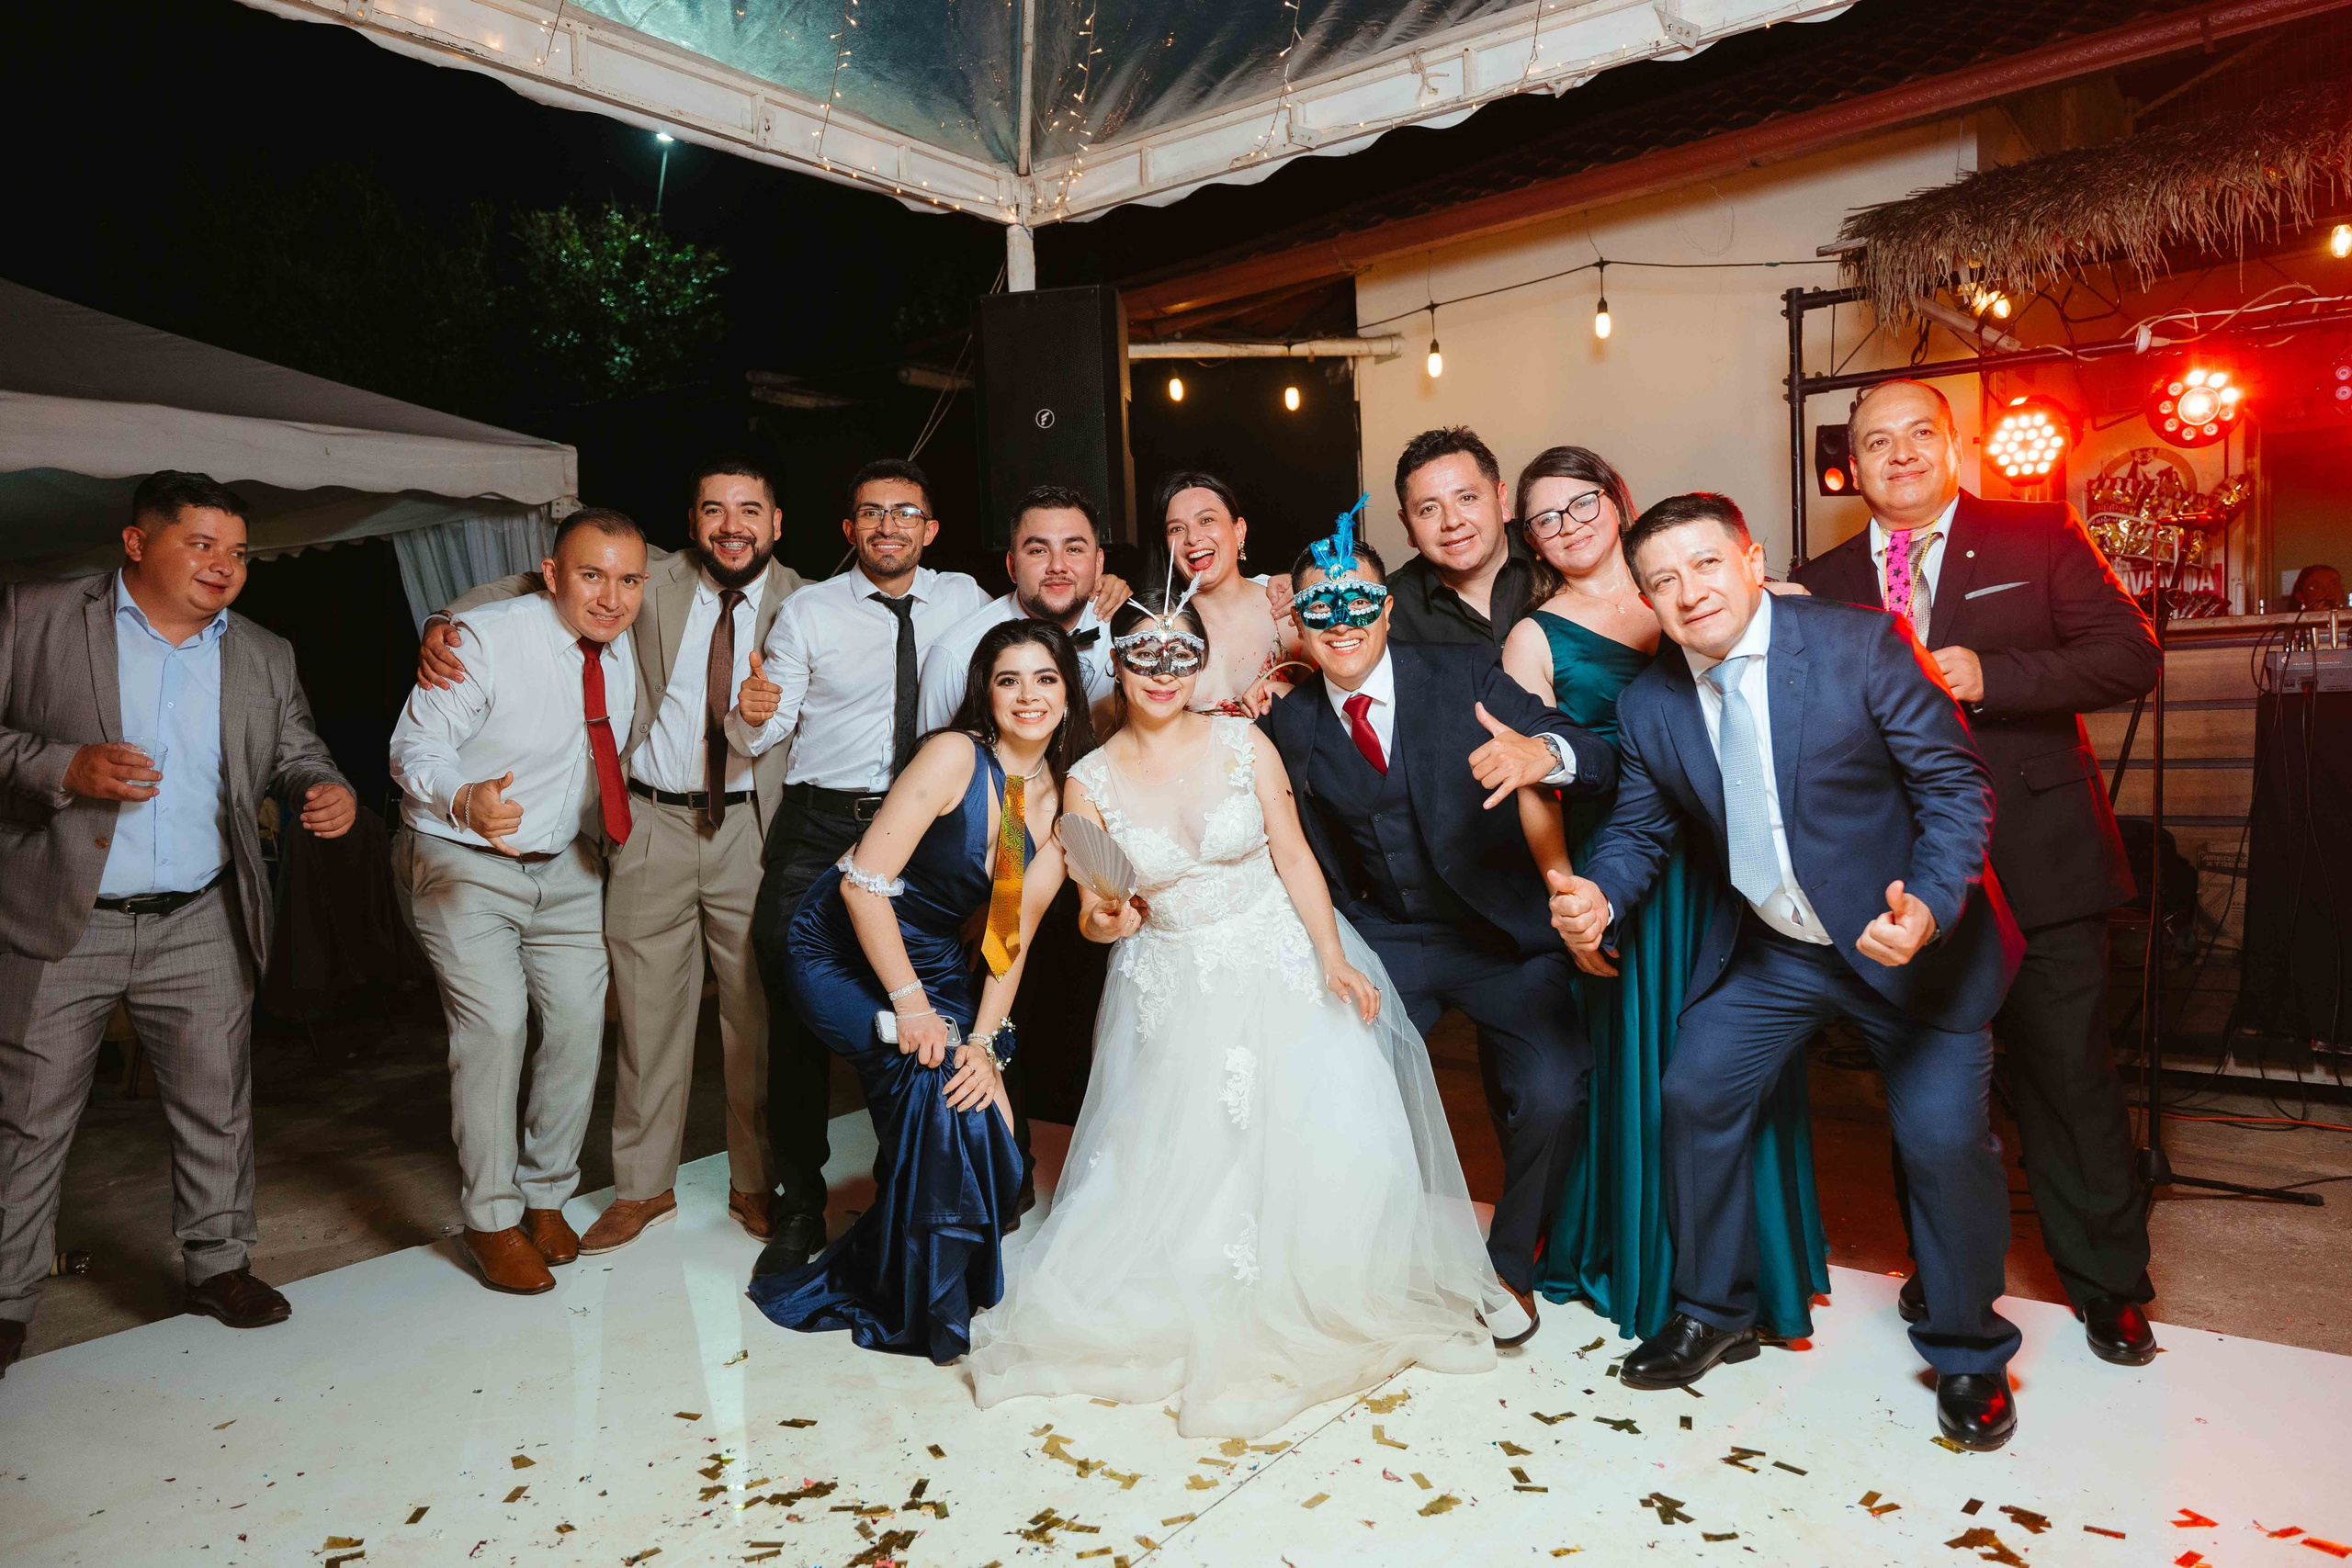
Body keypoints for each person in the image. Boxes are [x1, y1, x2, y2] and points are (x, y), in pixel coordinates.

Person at [1550, 492, 2026, 1450]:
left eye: (1705, 565)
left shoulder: (1859, 645)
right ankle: (1714, 1310)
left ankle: (1969, 1352)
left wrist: (1930, 907)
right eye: (1662, 580)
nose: (1688, 593)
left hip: (1909, 949)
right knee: (1692, 1092)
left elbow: (1953, 785)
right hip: (1779, 953)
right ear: (1644, 598)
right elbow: (1641, 831)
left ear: (1751, 560)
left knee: (1940, 1143)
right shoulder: (1651, 702)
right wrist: (1599, 895)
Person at [967, 588, 1503, 1438]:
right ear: (1120, 662)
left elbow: (1293, 854)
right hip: (1170, 977)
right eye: (1144, 656)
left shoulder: (1242, 741)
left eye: (1181, 654)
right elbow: (1091, 906)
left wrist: (1331, 955)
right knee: (1184, 1158)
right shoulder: (1089, 779)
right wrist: (1107, 918)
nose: (1162, 673)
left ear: (1199, 662)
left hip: (1278, 957)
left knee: (1314, 1137)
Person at [1796, 378, 2162, 1365]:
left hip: (2040, 863)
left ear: (1953, 446)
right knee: (1925, 1093)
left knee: (2070, 1080)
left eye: (1920, 434)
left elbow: (2129, 657)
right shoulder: (1820, 580)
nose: (1900, 454)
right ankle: (1946, 1272)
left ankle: (2109, 1285)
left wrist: (1987, 675)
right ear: (1852, 464)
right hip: (1906, 887)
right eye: (1877, 441)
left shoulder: (2036, 535)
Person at [0, 472, 356, 1373]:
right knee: (31, 1121)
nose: (223, 566)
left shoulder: (264, 652)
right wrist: (61, 766)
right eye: (200, 544)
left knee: (215, 1108)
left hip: (201, 915)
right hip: (63, 919)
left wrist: (323, 785)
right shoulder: (36, 616)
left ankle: (218, 1267)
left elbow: (296, 745)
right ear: (136, 544)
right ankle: (4, 1304)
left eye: (237, 552)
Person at [417, 459, 808, 1252]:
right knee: (645, 1015)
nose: (731, 524)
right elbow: (538, 583)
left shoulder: (809, 602)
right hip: (651, 822)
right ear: (693, 522)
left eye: (749, 510)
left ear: (776, 522)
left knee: (751, 1018)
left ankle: (753, 1182)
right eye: (712, 509)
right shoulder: (648, 579)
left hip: (750, 826)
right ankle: (642, 1188)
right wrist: (443, 618)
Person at [1255, 513, 1618, 1339]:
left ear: (1387, 607)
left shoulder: (1465, 673)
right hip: (1387, 942)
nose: (1342, 623)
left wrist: (1543, 755)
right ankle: (1379, 1261)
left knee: (1557, 1090)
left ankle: (1509, 1269)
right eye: (1321, 608)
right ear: (1299, 625)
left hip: (1502, 937)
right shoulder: (1288, 724)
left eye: (1358, 602)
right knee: (1341, 1086)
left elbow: (1594, 754)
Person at [1498, 448, 1829, 1346]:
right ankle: (1666, 1275)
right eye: (1544, 518)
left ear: (1617, 501)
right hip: (1630, 871)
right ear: (1528, 538)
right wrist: (1570, 895)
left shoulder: (1696, 584)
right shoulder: (1535, 636)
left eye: (1581, 504)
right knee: (1654, 1071)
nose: (1567, 526)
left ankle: (1760, 1272)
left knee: (1745, 1065)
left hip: (1736, 861)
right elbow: (1532, 779)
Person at [748, 619, 1079, 1361]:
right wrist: (913, 1005)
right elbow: (864, 886)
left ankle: (934, 1281)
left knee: (974, 1097)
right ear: (984, 694)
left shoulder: (1057, 800)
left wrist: (987, 1045)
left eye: (1045, 679)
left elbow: (1009, 931)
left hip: (931, 957)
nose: (1028, 696)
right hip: (838, 943)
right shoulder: (954, 755)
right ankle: (911, 1299)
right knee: (933, 1081)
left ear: (1068, 692)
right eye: (1009, 680)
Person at [733, 459, 992, 1272]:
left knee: (912, 1010)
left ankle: (900, 1190)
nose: (889, 527)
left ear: (931, 528)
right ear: (848, 530)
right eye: (871, 514)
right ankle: (802, 1205)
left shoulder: (964, 600)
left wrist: (1107, 590)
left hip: (921, 833)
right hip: (820, 826)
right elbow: (759, 739)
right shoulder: (808, 612)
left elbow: (1032, 629)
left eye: (906, 513)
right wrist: (750, 716)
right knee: (797, 1017)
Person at [389, 508, 650, 1294]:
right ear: (551, 573)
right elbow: (412, 747)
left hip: (568, 865)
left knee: (576, 1026)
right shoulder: (482, 641)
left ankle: (545, 1196)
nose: (611, 596)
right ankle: (490, 1217)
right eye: (591, 575)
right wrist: (463, 796)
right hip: (465, 858)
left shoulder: (621, 644)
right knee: (497, 1025)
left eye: (628, 578)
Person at [917, 483, 1127, 735]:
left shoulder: (1127, 630)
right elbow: (936, 767)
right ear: (1012, 566)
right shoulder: (956, 657)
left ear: (1098, 562)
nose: (1057, 566)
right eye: (1038, 551)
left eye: (1073, 549)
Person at [1159, 471, 1303, 715]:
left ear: (1239, 531)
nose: (1193, 538)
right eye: (1176, 529)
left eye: (1206, 520)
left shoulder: (1286, 610)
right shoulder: (1157, 629)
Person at [1384, 427, 1542, 646]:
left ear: (1502, 500)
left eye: (1467, 498)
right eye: (1429, 509)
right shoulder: (1388, 610)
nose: (1452, 521)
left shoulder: (1551, 553)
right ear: (1408, 526)